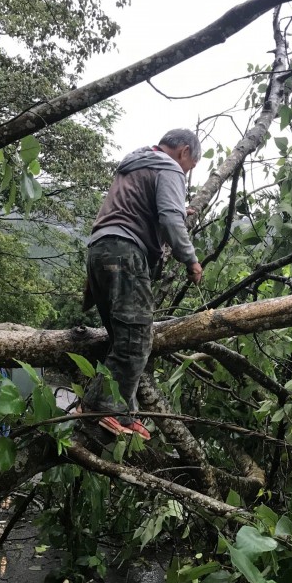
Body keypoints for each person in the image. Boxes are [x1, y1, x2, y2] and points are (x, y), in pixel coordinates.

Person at [80, 129, 203, 440]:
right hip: (125, 253)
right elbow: (170, 221)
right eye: (189, 167)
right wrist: (190, 260)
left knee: (122, 338)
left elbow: (137, 208)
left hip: (100, 251)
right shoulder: (169, 166)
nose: (185, 173)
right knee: (136, 339)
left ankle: (120, 410)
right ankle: (99, 408)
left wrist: (177, 207)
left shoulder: (135, 164)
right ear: (184, 152)